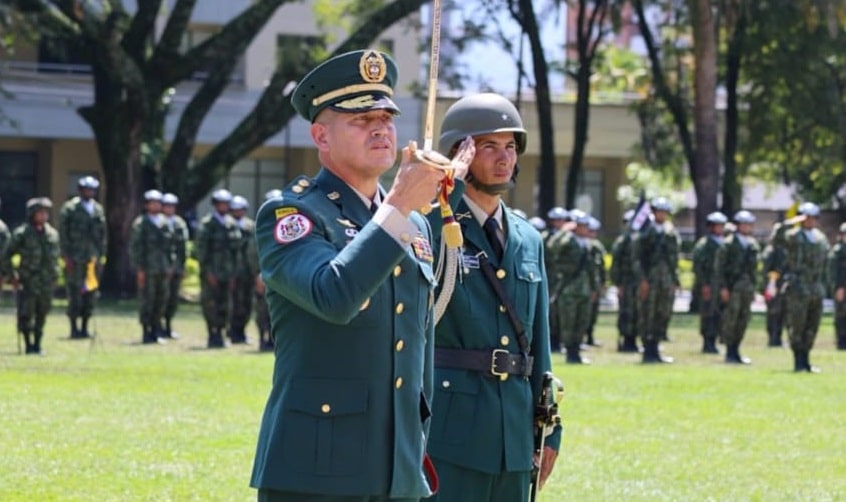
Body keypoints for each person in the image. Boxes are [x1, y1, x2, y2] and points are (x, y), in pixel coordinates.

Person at [250, 49, 445, 501]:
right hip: (316, 468)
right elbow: (333, 295)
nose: (380, 127)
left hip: (396, 467)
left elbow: (420, 344)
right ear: (321, 135)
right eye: (360, 119)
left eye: (386, 116)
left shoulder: (413, 224)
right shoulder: (292, 213)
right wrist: (398, 206)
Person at [427, 92, 560, 501]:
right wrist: (444, 192)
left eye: (509, 147)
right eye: (488, 147)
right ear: (459, 154)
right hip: (450, 434)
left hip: (515, 433)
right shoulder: (431, 225)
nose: (504, 158)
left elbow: (540, 343)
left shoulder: (527, 237)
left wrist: (552, 430)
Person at [774, 202, 830, 372]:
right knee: (797, 324)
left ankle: (806, 359)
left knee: (812, 325)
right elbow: (776, 239)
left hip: (815, 287)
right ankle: (798, 360)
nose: (810, 221)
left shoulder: (820, 238)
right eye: (807, 217)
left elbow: (825, 263)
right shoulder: (793, 235)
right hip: (798, 287)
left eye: (813, 217)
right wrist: (790, 222)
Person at [0, 197, 60, 355]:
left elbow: (55, 257)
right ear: (32, 214)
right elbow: (6, 255)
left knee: (42, 312)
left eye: (45, 212)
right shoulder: (22, 234)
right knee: (26, 313)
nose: (43, 215)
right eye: (40, 212)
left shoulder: (52, 234)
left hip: (46, 281)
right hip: (28, 281)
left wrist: (55, 276)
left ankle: (38, 343)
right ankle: (28, 343)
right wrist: (12, 274)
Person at [632, 197, 680, 363]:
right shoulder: (645, 231)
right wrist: (642, 280)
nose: (662, 215)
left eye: (665, 212)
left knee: (663, 313)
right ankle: (647, 349)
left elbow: (674, 259)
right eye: (660, 211)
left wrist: (675, 280)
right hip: (650, 279)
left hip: (665, 280)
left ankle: (657, 347)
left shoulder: (670, 232)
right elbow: (637, 258)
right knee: (647, 313)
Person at [58, 176, 107, 339]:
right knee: (74, 293)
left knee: (90, 293)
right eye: (87, 189)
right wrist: (66, 256)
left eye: (92, 190)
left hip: (91, 258)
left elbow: (102, 235)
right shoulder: (70, 208)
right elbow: (63, 234)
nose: (90, 192)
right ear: (80, 190)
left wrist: (101, 255)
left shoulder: (98, 209)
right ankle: (74, 328)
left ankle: (85, 327)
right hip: (75, 257)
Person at [194, 188, 242, 349]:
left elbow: (237, 251)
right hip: (212, 271)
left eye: (226, 204)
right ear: (215, 205)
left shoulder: (232, 224)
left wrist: (235, 273)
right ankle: (212, 334)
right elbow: (201, 250)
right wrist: (207, 272)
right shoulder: (207, 224)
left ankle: (222, 333)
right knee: (210, 303)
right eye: (220, 204)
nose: (223, 207)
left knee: (226, 304)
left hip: (228, 272)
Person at [548, 210, 595, 364]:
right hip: (569, 288)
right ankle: (570, 353)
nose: (585, 229)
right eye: (582, 226)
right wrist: (563, 231)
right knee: (569, 321)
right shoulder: (568, 240)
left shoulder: (587, 243)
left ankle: (577, 350)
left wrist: (594, 287)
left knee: (582, 320)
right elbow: (552, 247)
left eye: (586, 226)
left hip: (584, 289)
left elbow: (591, 268)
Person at [714, 210, 760, 364]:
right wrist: (723, 288)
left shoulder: (752, 244)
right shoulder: (728, 244)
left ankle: (737, 349)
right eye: (744, 224)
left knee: (743, 318)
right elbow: (720, 268)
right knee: (731, 318)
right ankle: (730, 351)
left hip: (747, 287)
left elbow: (754, 269)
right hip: (733, 286)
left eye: (749, 224)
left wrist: (755, 288)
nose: (747, 227)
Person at [129, 190, 169, 345]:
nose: (156, 205)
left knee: (161, 300)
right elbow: (136, 248)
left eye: (158, 202)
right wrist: (139, 269)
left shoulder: (164, 222)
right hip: (148, 269)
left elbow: (169, 246)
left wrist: (170, 265)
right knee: (148, 300)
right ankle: (146, 331)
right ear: (146, 205)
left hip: (162, 267)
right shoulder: (141, 223)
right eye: (152, 202)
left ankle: (156, 330)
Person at [691, 211, 727, 354]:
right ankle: (708, 342)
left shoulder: (724, 243)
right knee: (708, 314)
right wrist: (704, 284)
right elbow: (698, 267)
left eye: (721, 226)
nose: (719, 228)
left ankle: (717, 339)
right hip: (709, 284)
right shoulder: (704, 245)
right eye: (716, 226)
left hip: (721, 284)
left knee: (719, 313)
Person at [254, 189, 281, 352]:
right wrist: (259, 274)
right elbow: (253, 253)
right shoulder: (260, 226)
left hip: (281, 276)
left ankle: (274, 340)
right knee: (261, 310)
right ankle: (261, 338)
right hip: (263, 275)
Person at [610, 209, 639, 352]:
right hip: (626, 283)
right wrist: (618, 284)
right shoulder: (622, 242)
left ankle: (633, 339)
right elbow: (616, 265)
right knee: (626, 312)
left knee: (637, 312)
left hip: (637, 282)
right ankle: (626, 340)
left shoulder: (639, 240)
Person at [229, 195, 257, 345]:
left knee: (246, 302)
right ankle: (232, 331)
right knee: (233, 303)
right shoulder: (227, 225)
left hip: (247, 271)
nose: (237, 212)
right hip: (230, 271)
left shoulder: (250, 226)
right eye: (234, 210)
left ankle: (242, 332)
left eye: (240, 210)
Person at [542, 206, 571, 353]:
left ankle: (562, 340)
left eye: (562, 220)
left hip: (563, 279)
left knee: (563, 310)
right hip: (549, 278)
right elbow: (551, 248)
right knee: (551, 310)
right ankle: (553, 341)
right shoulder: (547, 236)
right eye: (556, 220)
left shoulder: (568, 237)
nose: (559, 223)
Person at [161, 193, 189, 339]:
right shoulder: (158, 222)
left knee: (172, 299)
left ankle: (168, 325)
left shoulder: (179, 223)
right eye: (166, 206)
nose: (169, 209)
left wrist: (181, 266)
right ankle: (158, 326)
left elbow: (183, 247)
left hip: (176, 268)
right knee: (161, 298)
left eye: (171, 206)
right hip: (161, 268)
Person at [761, 221, 788, 347]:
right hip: (773, 285)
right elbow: (767, 270)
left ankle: (778, 337)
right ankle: (773, 338)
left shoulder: (784, 250)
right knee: (773, 313)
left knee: (782, 313)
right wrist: (771, 284)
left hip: (783, 285)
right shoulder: (771, 251)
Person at [585, 215, 606, 348]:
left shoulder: (597, 247)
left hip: (594, 284)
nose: (592, 234)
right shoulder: (583, 245)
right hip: (583, 285)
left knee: (593, 313)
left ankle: (590, 337)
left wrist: (602, 284)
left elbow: (601, 267)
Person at [827, 222, 846, 350]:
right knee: (841, 315)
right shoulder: (838, 251)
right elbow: (833, 271)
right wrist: (838, 287)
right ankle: (841, 341)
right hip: (842, 287)